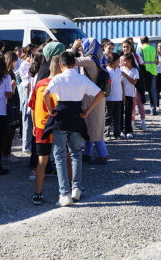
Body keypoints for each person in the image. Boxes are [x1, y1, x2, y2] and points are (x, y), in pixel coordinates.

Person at [42, 52, 104, 207]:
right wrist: (88, 111)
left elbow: (45, 94)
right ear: (75, 64)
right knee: (76, 153)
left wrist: (50, 110)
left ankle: (64, 193)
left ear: (61, 65)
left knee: (60, 155)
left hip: (61, 116)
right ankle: (76, 187)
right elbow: (101, 94)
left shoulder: (58, 78)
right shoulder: (81, 78)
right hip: (77, 116)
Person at [27, 55, 60, 205]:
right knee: (65, 157)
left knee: (42, 161)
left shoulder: (39, 84)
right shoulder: (60, 84)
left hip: (41, 125)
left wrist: (34, 125)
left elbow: (33, 106)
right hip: (58, 125)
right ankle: (71, 188)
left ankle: (37, 193)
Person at [72, 38, 108, 164]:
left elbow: (70, 60)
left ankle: (102, 155)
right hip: (97, 97)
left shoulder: (89, 61)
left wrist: (74, 47)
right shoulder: (99, 59)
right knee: (91, 127)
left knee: (94, 128)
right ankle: (87, 154)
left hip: (90, 98)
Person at [121, 40, 146, 128]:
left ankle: (143, 121)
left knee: (139, 102)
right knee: (131, 103)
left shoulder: (136, 55)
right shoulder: (121, 58)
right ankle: (131, 122)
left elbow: (142, 66)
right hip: (125, 84)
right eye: (124, 47)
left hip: (136, 81)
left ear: (131, 47)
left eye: (127, 47)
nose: (125, 48)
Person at [2, 51, 21, 164]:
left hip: (10, 104)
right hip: (10, 105)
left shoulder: (5, 73)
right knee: (9, 130)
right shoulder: (8, 74)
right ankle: (6, 154)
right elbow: (8, 93)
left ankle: (5, 153)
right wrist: (13, 85)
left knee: (8, 130)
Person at [105, 53, 124, 139]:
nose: (119, 62)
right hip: (109, 98)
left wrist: (123, 95)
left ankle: (117, 133)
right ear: (112, 61)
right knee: (108, 116)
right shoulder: (106, 71)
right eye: (117, 61)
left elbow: (121, 82)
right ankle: (106, 133)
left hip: (118, 97)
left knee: (117, 116)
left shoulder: (118, 70)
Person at [120, 53, 139, 139]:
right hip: (120, 95)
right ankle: (120, 130)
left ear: (130, 60)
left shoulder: (135, 70)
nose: (123, 62)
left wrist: (125, 75)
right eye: (123, 60)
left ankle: (129, 131)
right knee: (120, 113)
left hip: (130, 94)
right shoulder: (121, 69)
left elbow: (134, 82)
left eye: (125, 60)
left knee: (128, 114)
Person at [138, 36, 158, 117]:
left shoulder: (140, 49)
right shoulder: (153, 49)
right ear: (148, 41)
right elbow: (157, 61)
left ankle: (140, 108)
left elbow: (138, 61)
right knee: (152, 91)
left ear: (140, 41)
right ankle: (153, 109)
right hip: (152, 72)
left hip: (143, 72)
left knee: (140, 91)